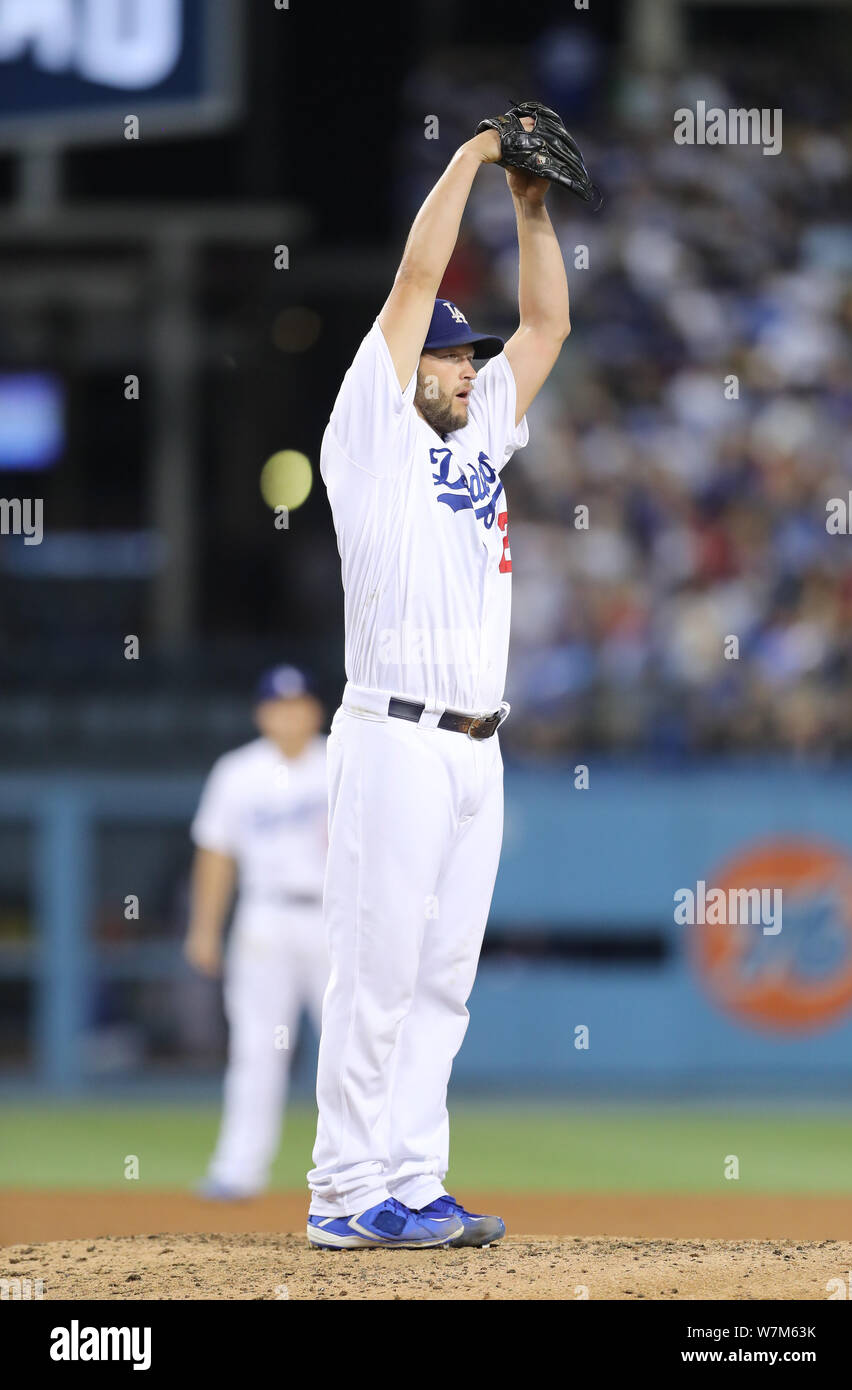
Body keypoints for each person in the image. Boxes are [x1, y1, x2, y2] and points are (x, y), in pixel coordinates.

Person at [307, 111, 570, 1249]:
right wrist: (469, 159)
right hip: (393, 734)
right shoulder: (370, 431)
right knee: (374, 973)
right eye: (450, 353)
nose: (465, 365)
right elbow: (418, 273)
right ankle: (339, 1192)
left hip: (478, 745)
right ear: (402, 365)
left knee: (441, 981)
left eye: (470, 354)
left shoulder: (477, 434)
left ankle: (410, 1181)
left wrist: (530, 207)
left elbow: (551, 321)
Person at [184, 665, 329, 1199]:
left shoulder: (343, 761)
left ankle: (362, 1173)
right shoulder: (238, 771)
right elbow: (216, 855)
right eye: (278, 705)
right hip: (265, 917)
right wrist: (204, 928)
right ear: (261, 713)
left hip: (333, 919)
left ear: (316, 710)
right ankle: (238, 1169)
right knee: (255, 1047)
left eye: (299, 703)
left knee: (352, 1048)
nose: (289, 714)